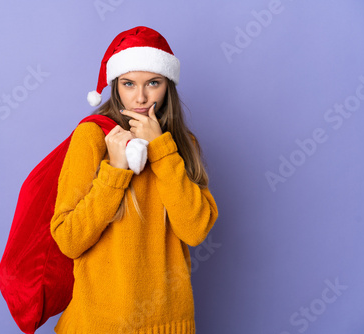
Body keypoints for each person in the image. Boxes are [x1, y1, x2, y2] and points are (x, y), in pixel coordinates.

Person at [50, 26, 218, 333]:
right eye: (129, 84)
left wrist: (161, 150)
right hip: (98, 324)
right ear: (116, 86)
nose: (140, 97)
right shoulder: (92, 137)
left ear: (168, 84)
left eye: (153, 83)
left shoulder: (181, 144)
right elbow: (69, 240)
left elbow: (194, 230)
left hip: (167, 322)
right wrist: (115, 171)